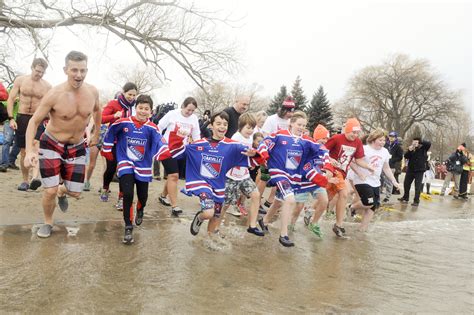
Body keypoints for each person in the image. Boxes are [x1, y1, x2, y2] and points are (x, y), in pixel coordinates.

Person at [24, 51, 101, 238]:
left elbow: (98, 111)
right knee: (48, 190)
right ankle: (48, 222)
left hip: (77, 146)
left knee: (76, 192)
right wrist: (28, 152)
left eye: (83, 70)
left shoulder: (92, 92)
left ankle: (62, 191)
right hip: (52, 143)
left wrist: (96, 133)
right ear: (65, 70)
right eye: (74, 70)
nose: (79, 75)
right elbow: (33, 122)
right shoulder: (54, 94)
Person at [171, 111, 264, 238]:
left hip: (219, 186)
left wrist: (254, 154)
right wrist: (179, 137)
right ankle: (200, 217)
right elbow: (175, 153)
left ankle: (209, 239)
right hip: (202, 183)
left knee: (216, 216)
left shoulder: (232, 146)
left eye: (225, 124)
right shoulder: (199, 144)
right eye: (219, 123)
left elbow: (257, 159)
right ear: (211, 125)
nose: (222, 127)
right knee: (209, 213)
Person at [101, 95, 172, 244]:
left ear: (151, 112)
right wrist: (107, 148)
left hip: (143, 166)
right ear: (135, 108)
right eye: (140, 108)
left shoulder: (152, 128)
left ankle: (140, 209)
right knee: (127, 194)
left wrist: (164, 151)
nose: (143, 111)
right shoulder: (123, 123)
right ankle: (128, 226)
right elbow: (111, 131)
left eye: (146, 109)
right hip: (125, 162)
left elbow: (160, 141)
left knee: (143, 195)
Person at [258, 111, 331, 247]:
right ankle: (283, 234)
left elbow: (322, 150)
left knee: (279, 201)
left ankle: (265, 220)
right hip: (279, 173)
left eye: (304, 125)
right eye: (299, 124)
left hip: (294, 177)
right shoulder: (280, 135)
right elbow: (265, 143)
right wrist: (263, 155)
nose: (301, 127)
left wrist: (327, 166)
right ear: (291, 123)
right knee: (290, 199)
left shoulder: (307, 140)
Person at [210, 113, 264, 236]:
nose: (250, 131)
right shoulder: (236, 137)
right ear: (241, 127)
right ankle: (216, 228)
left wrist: (251, 160)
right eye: (248, 128)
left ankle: (252, 225)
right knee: (225, 204)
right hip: (231, 176)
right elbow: (230, 155)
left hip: (244, 175)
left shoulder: (249, 138)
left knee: (256, 195)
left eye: (252, 128)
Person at [324, 118, 375, 237]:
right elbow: (322, 151)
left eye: (357, 133)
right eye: (353, 132)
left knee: (336, 195)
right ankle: (336, 223)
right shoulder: (337, 138)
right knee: (338, 195)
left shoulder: (357, 142)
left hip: (342, 173)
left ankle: (335, 223)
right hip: (331, 170)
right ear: (346, 130)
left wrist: (368, 167)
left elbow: (358, 160)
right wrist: (330, 159)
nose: (355, 135)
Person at [6, 58, 52, 190]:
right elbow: (10, 99)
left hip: (38, 119)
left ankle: (35, 178)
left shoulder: (47, 86)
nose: (39, 74)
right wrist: (11, 118)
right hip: (22, 118)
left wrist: (49, 121)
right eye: (37, 71)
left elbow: (50, 105)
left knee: (36, 146)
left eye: (42, 72)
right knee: (24, 151)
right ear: (32, 68)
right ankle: (25, 181)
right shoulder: (21, 80)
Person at [347, 129, 400, 231]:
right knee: (368, 202)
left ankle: (363, 229)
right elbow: (352, 162)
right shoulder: (364, 149)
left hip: (375, 181)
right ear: (373, 139)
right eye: (380, 140)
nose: (383, 142)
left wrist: (394, 181)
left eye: (384, 140)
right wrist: (359, 173)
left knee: (373, 206)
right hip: (362, 180)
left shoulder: (384, 152)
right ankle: (351, 207)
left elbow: (386, 168)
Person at [157, 97, 201, 216]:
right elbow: (159, 127)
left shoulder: (194, 119)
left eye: (192, 111)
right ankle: (174, 206)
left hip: (181, 150)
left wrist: (199, 149)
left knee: (172, 176)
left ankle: (162, 196)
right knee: (174, 175)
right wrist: (160, 140)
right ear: (183, 106)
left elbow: (196, 136)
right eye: (188, 110)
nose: (190, 113)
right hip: (167, 148)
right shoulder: (172, 114)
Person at [100, 82, 138, 207]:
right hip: (114, 141)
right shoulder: (114, 103)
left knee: (124, 170)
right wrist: (114, 116)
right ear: (123, 92)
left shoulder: (135, 108)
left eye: (134, 95)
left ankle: (121, 198)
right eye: (129, 94)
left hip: (127, 143)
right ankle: (105, 188)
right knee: (111, 168)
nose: (131, 97)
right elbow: (101, 118)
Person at [290, 124, 332, 238]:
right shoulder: (308, 147)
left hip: (316, 182)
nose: (325, 141)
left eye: (326, 139)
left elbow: (327, 161)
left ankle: (314, 223)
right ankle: (290, 225)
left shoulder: (324, 150)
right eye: (323, 138)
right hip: (303, 182)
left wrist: (328, 169)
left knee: (324, 201)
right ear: (316, 138)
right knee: (298, 207)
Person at [258, 96, 296, 211]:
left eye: (292, 111)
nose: (290, 114)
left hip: (284, 156)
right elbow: (264, 135)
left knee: (280, 179)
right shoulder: (272, 119)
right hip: (270, 154)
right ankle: (257, 201)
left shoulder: (291, 122)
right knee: (264, 178)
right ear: (282, 109)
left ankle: (271, 201)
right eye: (288, 111)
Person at [399, 136, 431, 206]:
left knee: (417, 186)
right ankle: (405, 197)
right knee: (406, 184)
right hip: (410, 169)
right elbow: (406, 156)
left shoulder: (424, 148)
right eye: (413, 141)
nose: (414, 143)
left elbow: (428, 143)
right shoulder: (412, 148)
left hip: (419, 170)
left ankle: (416, 201)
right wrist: (409, 150)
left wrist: (420, 142)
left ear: (419, 142)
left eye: (416, 142)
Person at [0, 83, 11, 172]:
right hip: (8, 120)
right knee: (7, 141)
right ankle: (4, 163)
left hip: (18, 119)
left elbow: (4, 96)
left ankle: (8, 161)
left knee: (9, 141)